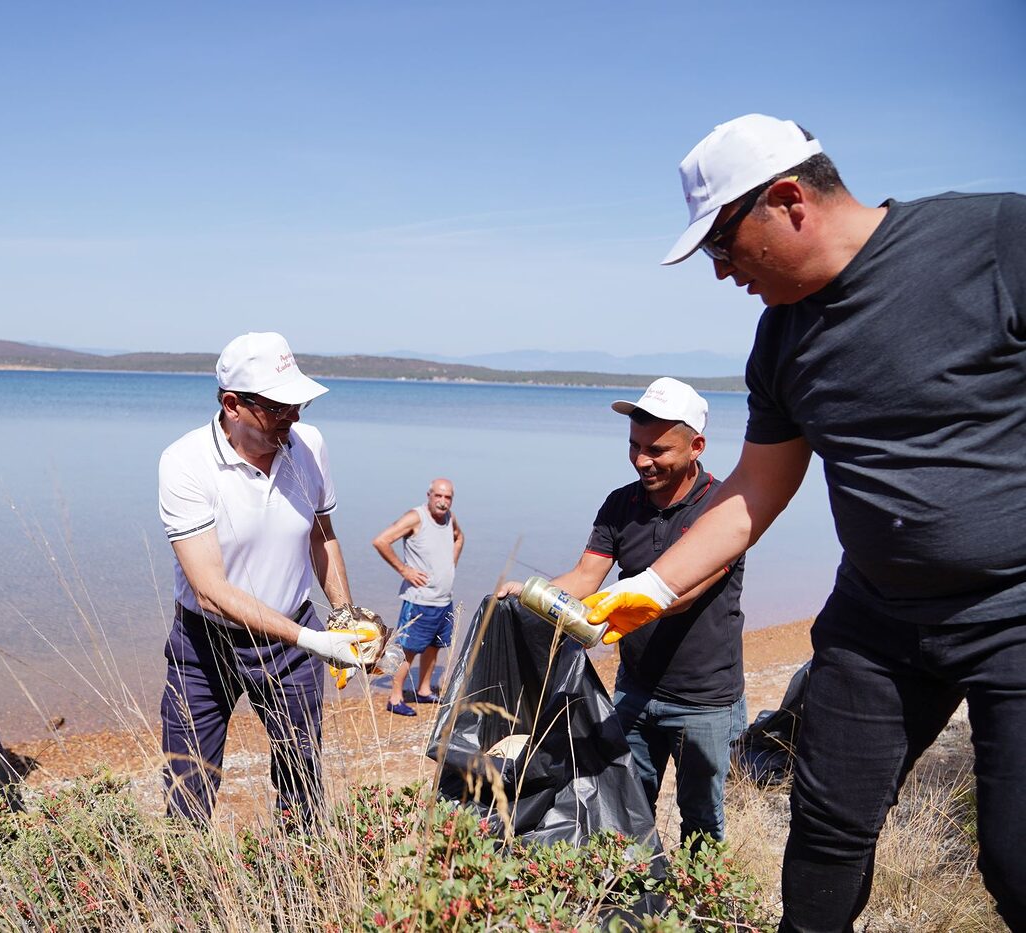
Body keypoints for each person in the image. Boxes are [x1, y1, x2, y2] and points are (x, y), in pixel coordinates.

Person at [583, 114, 1026, 931]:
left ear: (788, 200)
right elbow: (756, 487)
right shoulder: (780, 337)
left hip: (1013, 612)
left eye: (722, 246)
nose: (721, 273)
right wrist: (649, 583)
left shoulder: (995, 238)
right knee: (823, 840)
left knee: (1014, 855)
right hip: (877, 621)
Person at [498, 378, 746, 843]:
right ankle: (637, 903)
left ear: (697, 446)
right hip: (634, 688)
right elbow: (585, 578)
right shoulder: (620, 503)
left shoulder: (725, 506)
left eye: (657, 450)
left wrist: (614, 605)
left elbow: (686, 593)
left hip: (705, 698)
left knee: (702, 820)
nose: (642, 460)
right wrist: (533, 594)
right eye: (634, 446)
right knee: (625, 809)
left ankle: (699, 907)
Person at [158, 331, 368, 825]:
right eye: (280, 407)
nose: (295, 417)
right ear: (233, 405)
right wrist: (313, 639)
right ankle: (188, 891)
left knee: (301, 782)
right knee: (188, 791)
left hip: (294, 646)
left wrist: (344, 617)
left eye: (299, 404)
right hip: (205, 645)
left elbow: (322, 534)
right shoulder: (185, 463)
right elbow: (210, 591)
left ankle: (300, 879)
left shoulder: (309, 445)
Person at [372, 478, 464, 716]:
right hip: (419, 600)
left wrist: (450, 565)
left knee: (435, 646)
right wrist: (405, 570)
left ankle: (424, 690)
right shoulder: (416, 517)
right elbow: (381, 541)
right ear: (429, 495)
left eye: (448, 497)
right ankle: (395, 697)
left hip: (444, 600)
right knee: (407, 649)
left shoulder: (449, 518)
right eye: (438, 496)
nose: (443, 502)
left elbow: (459, 537)